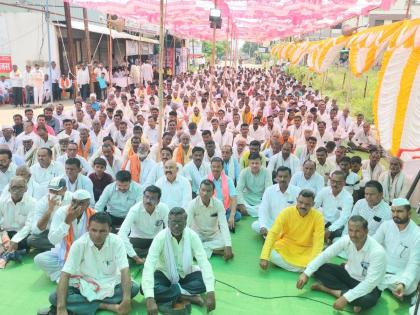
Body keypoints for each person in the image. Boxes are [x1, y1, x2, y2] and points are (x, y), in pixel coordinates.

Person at [39, 212, 139, 315]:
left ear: (109, 230)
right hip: (85, 284)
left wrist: (126, 300)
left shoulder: (117, 242)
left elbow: (125, 270)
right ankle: (107, 306)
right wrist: (61, 307)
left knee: (134, 288)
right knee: (55, 297)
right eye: (94, 230)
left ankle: (79, 307)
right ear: (88, 229)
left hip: (111, 282)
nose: (97, 235)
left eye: (102, 231)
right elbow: (65, 274)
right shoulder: (79, 244)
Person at [296, 216, 386, 313]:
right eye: (350, 230)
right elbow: (326, 254)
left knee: (367, 300)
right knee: (319, 267)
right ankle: (353, 300)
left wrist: (345, 298)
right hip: (348, 275)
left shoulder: (378, 252)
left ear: (366, 231)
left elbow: (370, 283)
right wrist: (306, 273)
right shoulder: (346, 239)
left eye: (357, 231)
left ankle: (326, 289)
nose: (353, 235)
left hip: (369, 286)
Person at [141, 207, 216, 314]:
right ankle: (187, 296)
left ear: (186, 222)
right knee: (144, 289)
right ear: (168, 222)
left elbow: (203, 262)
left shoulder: (192, 236)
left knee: (209, 281)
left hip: (185, 274)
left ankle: (171, 294)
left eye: (180, 223)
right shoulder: (160, 238)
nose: (176, 226)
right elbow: (149, 266)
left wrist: (211, 292)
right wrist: (149, 299)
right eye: (173, 223)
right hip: (164, 274)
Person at [34, 190, 95, 282]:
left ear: (88, 204)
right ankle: (72, 276)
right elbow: (53, 240)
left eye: (81, 203)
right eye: (74, 201)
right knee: (39, 259)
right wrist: (67, 221)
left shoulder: (94, 215)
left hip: (86, 253)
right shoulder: (62, 212)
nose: (76, 206)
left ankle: (66, 276)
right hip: (65, 252)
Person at [259, 189, 324, 272]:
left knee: (322, 260)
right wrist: (264, 257)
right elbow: (273, 233)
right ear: (296, 200)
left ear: (313, 204)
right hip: (287, 246)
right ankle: (304, 269)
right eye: (300, 202)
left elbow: (318, 242)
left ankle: (301, 268)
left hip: (307, 250)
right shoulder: (287, 212)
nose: (303, 206)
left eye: (307, 204)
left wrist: (314, 263)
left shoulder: (318, 217)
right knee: (271, 254)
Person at [373, 198, 420, 299]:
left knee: (409, 287)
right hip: (384, 267)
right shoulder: (386, 225)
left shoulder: (417, 234)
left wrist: (403, 283)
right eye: (393, 211)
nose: (395, 214)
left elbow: (414, 263)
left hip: (401, 272)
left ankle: (395, 286)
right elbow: (373, 244)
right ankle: (386, 284)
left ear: (410, 213)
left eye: (399, 211)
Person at [118, 185, 169, 264]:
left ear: (158, 201)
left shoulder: (164, 208)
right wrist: (136, 257)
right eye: (146, 197)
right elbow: (122, 233)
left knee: (169, 248)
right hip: (138, 240)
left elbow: (170, 229)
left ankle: (149, 256)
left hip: (156, 240)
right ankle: (150, 256)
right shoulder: (134, 210)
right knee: (122, 250)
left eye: (152, 198)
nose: (148, 201)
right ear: (143, 197)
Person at [187, 179, 233, 260]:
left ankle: (201, 250)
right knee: (188, 248)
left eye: (208, 191)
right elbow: (187, 225)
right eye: (203, 190)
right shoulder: (192, 204)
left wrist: (228, 245)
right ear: (199, 190)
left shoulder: (218, 204)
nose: (205, 193)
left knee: (224, 243)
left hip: (214, 234)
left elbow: (223, 225)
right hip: (198, 234)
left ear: (213, 192)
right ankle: (216, 252)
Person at [251, 166, 300, 236]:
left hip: (290, 225)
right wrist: (263, 226)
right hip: (273, 223)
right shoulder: (269, 190)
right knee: (255, 225)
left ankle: (272, 236)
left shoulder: (297, 191)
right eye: (280, 176)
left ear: (290, 177)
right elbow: (263, 209)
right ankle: (277, 236)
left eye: (285, 177)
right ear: (276, 178)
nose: (282, 179)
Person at [28, 177, 72, 251]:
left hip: (69, 230)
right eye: (51, 190)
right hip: (50, 232)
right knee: (32, 240)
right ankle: (65, 246)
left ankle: (63, 246)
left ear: (64, 190)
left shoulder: (72, 198)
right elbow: (36, 229)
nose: (53, 193)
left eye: (56, 191)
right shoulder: (42, 202)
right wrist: (50, 209)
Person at [315, 170, 354, 243]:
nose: (335, 184)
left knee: (337, 239)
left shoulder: (348, 198)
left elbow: (344, 218)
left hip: (337, 227)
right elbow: (314, 206)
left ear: (344, 183)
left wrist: (330, 229)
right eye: (333, 181)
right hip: (322, 223)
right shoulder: (324, 191)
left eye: (338, 182)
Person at [0, 176, 36, 252]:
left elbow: (29, 226)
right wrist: (3, 233)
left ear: (26, 189)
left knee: (30, 240)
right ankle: (10, 251)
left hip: (23, 235)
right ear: (9, 189)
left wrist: (15, 240)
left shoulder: (33, 203)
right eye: (14, 187)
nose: (17, 190)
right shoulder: (2, 202)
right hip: (6, 233)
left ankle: (8, 251)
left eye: (20, 187)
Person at [208, 157, 239, 230]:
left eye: (218, 167)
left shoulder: (228, 180)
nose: (216, 169)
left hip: (225, 209)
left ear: (222, 168)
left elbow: (233, 198)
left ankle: (217, 224)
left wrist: (231, 216)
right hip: (210, 209)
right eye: (214, 167)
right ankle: (222, 224)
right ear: (211, 167)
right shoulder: (205, 179)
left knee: (237, 215)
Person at [237, 153, 272, 217]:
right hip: (247, 198)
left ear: (260, 163)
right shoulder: (244, 172)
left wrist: (265, 202)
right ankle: (258, 211)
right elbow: (239, 189)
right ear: (249, 163)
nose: (254, 165)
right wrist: (241, 204)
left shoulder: (266, 172)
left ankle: (251, 211)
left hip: (260, 199)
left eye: (257, 163)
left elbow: (269, 190)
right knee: (236, 200)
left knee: (269, 204)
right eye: (252, 163)